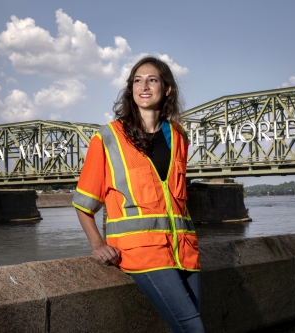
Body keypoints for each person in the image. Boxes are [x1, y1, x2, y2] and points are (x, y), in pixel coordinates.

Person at [72, 56, 204, 332]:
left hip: (185, 252)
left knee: (190, 323)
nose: (144, 86)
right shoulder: (108, 137)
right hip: (141, 252)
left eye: (152, 79)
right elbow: (84, 203)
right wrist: (97, 244)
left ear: (166, 89)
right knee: (193, 328)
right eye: (137, 80)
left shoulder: (178, 135)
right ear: (131, 89)